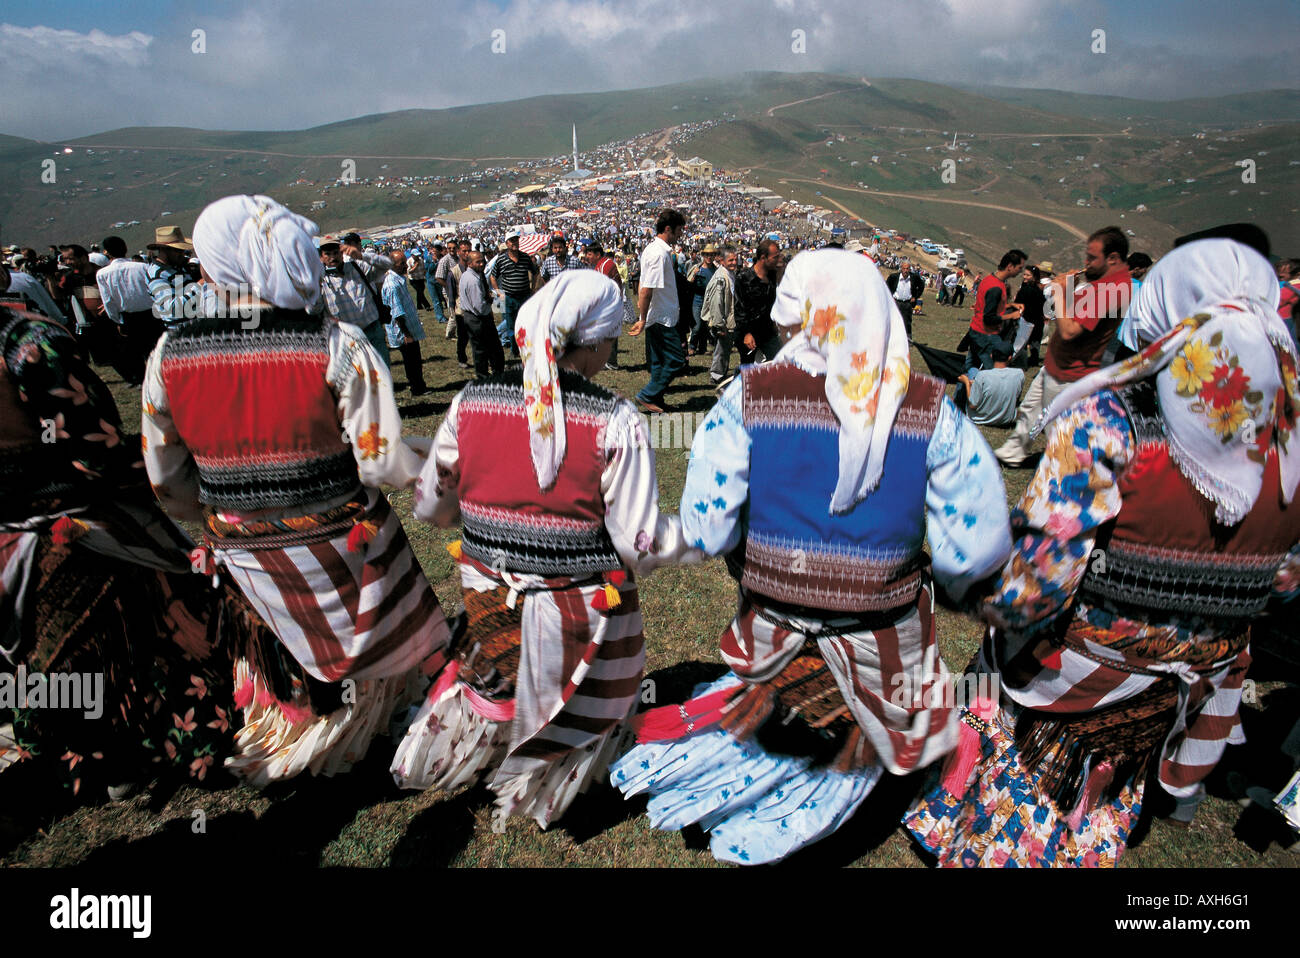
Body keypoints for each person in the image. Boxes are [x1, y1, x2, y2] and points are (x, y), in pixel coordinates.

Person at [906, 236, 1300, 867]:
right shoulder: (1287, 440)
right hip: (1193, 673)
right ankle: (1082, 839)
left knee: (997, 679)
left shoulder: (1111, 418)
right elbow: (1284, 583)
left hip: (1088, 659)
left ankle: (987, 832)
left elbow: (1034, 588)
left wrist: (974, 586)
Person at [612, 250, 1014, 865]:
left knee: (775, 721)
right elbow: (976, 550)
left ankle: (754, 794)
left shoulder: (746, 397)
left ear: (791, 313)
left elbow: (708, 528)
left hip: (772, 626)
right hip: (883, 641)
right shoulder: (932, 411)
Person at [142, 195, 450, 786]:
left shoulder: (169, 354)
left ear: (215, 267)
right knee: (378, 641)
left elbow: (166, 477)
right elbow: (381, 461)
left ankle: (300, 728)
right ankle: (375, 723)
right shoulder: (336, 346)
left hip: (241, 546)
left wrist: (221, 514)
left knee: (275, 646)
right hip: (342, 542)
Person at [393, 270, 701, 829]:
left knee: (503, 671)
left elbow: (433, 509)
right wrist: (699, 537)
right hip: (582, 611)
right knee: (571, 687)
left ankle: (492, 753)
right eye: (613, 338)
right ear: (599, 342)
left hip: (490, 593)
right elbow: (640, 544)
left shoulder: (470, 401)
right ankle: (552, 776)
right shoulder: (615, 420)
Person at [0, 301, 237, 802]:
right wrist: (176, 464)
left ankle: (100, 764)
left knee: (53, 660)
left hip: (9, 540)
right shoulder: (26, 343)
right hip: (73, 525)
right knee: (152, 632)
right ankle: (180, 746)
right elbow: (91, 452)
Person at [995, 228, 1132, 467]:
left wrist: (1061, 291)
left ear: (1113, 258)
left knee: (1055, 425)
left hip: (1071, 371)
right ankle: (1012, 453)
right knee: (1030, 409)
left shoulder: (1112, 289)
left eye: (1092, 257)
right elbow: (1071, 314)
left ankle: (1059, 470)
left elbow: (1069, 330)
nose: (1086, 263)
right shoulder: (1101, 283)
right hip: (1056, 365)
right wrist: (1069, 289)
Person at [629, 208, 687, 414]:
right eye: (679, 230)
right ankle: (648, 394)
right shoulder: (658, 254)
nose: (681, 234)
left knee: (659, 361)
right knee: (676, 359)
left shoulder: (657, 250)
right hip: (661, 317)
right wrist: (642, 318)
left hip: (662, 314)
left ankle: (656, 400)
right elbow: (645, 291)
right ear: (668, 229)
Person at [315, 234, 394, 366]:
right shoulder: (320, 280)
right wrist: (315, 289)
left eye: (336, 252)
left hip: (372, 332)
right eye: (327, 254)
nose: (333, 257)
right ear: (321, 257)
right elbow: (314, 310)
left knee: (383, 373)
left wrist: (362, 256)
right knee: (360, 381)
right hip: (347, 340)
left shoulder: (357, 268)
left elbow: (388, 264)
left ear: (342, 252)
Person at [96, 235, 158, 386]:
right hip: (151, 314)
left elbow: (108, 301)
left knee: (135, 350)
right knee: (154, 348)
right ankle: (158, 377)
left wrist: (117, 320)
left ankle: (143, 381)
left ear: (106, 252)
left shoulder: (103, 274)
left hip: (129, 316)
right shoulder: (143, 267)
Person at [964, 250, 1026, 373]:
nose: (1020, 271)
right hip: (986, 334)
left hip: (976, 330)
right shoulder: (996, 288)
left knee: (970, 368)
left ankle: (964, 389)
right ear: (1010, 266)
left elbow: (987, 306)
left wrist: (1010, 304)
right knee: (993, 371)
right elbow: (989, 318)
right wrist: (1011, 316)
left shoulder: (989, 279)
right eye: (1019, 268)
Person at [381, 249, 429, 395]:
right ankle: (417, 387)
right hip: (404, 331)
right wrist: (406, 334)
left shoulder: (398, 280)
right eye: (402, 263)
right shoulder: (392, 285)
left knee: (415, 359)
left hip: (408, 328)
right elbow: (397, 313)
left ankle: (419, 385)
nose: (405, 266)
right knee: (412, 361)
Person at [488, 229, 539, 361]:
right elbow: (493, 277)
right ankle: (514, 350)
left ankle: (527, 348)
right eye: (511, 241)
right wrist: (498, 292)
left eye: (516, 240)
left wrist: (533, 289)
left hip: (524, 296)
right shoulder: (501, 260)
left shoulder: (525, 257)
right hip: (509, 297)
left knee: (526, 323)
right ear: (507, 243)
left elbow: (535, 272)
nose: (514, 243)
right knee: (511, 325)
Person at [734, 239, 783, 364]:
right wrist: (746, 333)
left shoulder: (772, 276)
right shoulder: (744, 278)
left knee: (778, 362)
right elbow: (740, 308)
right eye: (774, 257)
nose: (777, 260)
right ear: (763, 258)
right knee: (747, 369)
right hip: (749, 333)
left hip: (767, 331)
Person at [956, 339, 1025, 427]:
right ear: (1010, 357)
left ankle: (957, 407)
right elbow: (1016, 398)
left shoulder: (982, 375)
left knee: (972, 371)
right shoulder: (1019, 374)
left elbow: (972, 405)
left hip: (980, 419)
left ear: (991, 356)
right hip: (1006, 419)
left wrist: (966, 382)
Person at [459, 249, 504, 377]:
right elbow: (479, 306)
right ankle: (485, 374)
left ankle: (486, 372)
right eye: (477, 262)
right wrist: (490, 306)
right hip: (477, 318)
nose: (481, 264)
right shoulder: (472, 280)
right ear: (469, 264)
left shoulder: (473, 275)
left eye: (482, 261)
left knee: (482, 347)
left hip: (473, 316)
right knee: (485, 348)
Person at [144, 227, 203, 326]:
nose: (182, 254)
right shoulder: (157, 276)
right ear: (164, 250)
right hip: (181, 330)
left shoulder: (178, 266)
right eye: (178, 251)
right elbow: (173, 308)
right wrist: (199, 286)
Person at [702, 244, 739, 386]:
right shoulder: (720, 278)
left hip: (728, 320)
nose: (734, 263)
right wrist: (719, 325)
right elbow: (717, 303)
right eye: (730, 260)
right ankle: (716, 375)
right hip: (722, 321)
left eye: (735, 260)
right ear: (722, 261)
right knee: (721, 349)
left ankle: (720, 372)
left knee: (725, 348)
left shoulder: (730, 274)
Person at [1013, 264, 1048, 366]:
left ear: (1034, 277)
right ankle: (1033, 360)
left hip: (1027, 321)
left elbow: (1018, 304)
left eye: (1028, 275)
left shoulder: (1027, 290)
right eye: (1024, 274)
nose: (1024, 277)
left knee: (1022, 343)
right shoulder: (1039, 290)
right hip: (1037, 322)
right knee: (1034, 344)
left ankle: (1021, 362)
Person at [885, 260, 925, 340]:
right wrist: (890, 296)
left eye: (907, 269)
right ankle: (892, 339)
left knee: (907, 322)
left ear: (910, 269)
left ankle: (908, 340)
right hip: (896, 302)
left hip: (907, 303)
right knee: (893, 321)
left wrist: (915, 297)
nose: (905, 271)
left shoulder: (914, 277)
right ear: (901, 268)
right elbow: (886, 286)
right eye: (904, 268)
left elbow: (921, 285)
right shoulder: (894, 277)